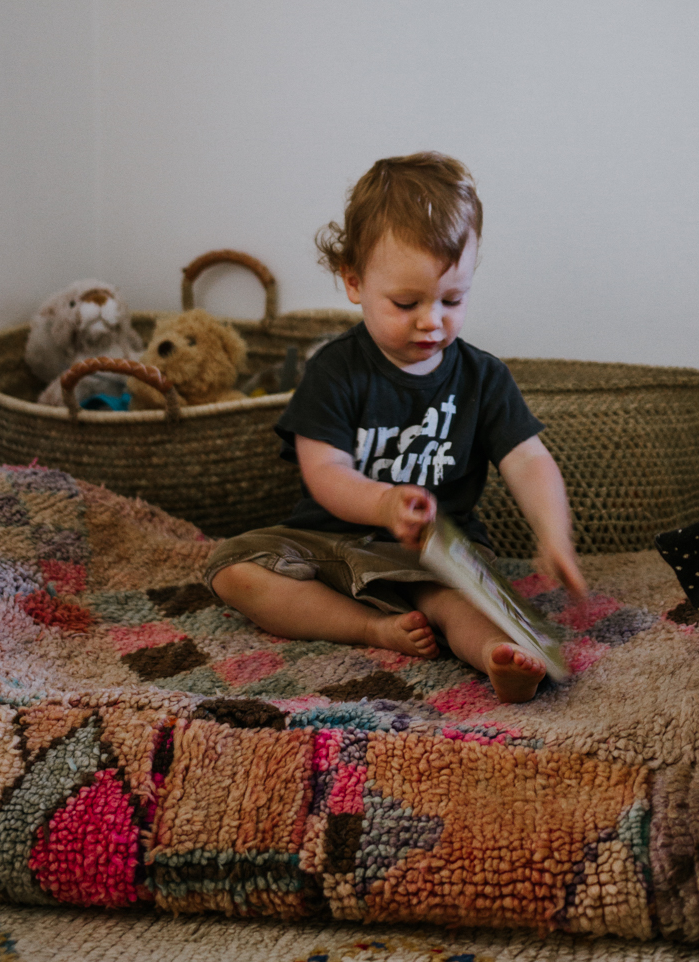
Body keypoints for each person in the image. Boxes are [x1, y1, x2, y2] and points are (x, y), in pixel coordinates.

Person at [207, 152, 586, 703]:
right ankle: (370, 627)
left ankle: (498, 661)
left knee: (456, 602)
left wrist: (554, 536)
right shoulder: (335, 370)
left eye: (453, 300)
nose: (432, 320)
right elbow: (325, 470)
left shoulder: (484, 378)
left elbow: (527, 458)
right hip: (328, 546)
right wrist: (383, 505)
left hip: (432, 555)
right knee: (232, 570)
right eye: (406, 302)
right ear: (355, 282)